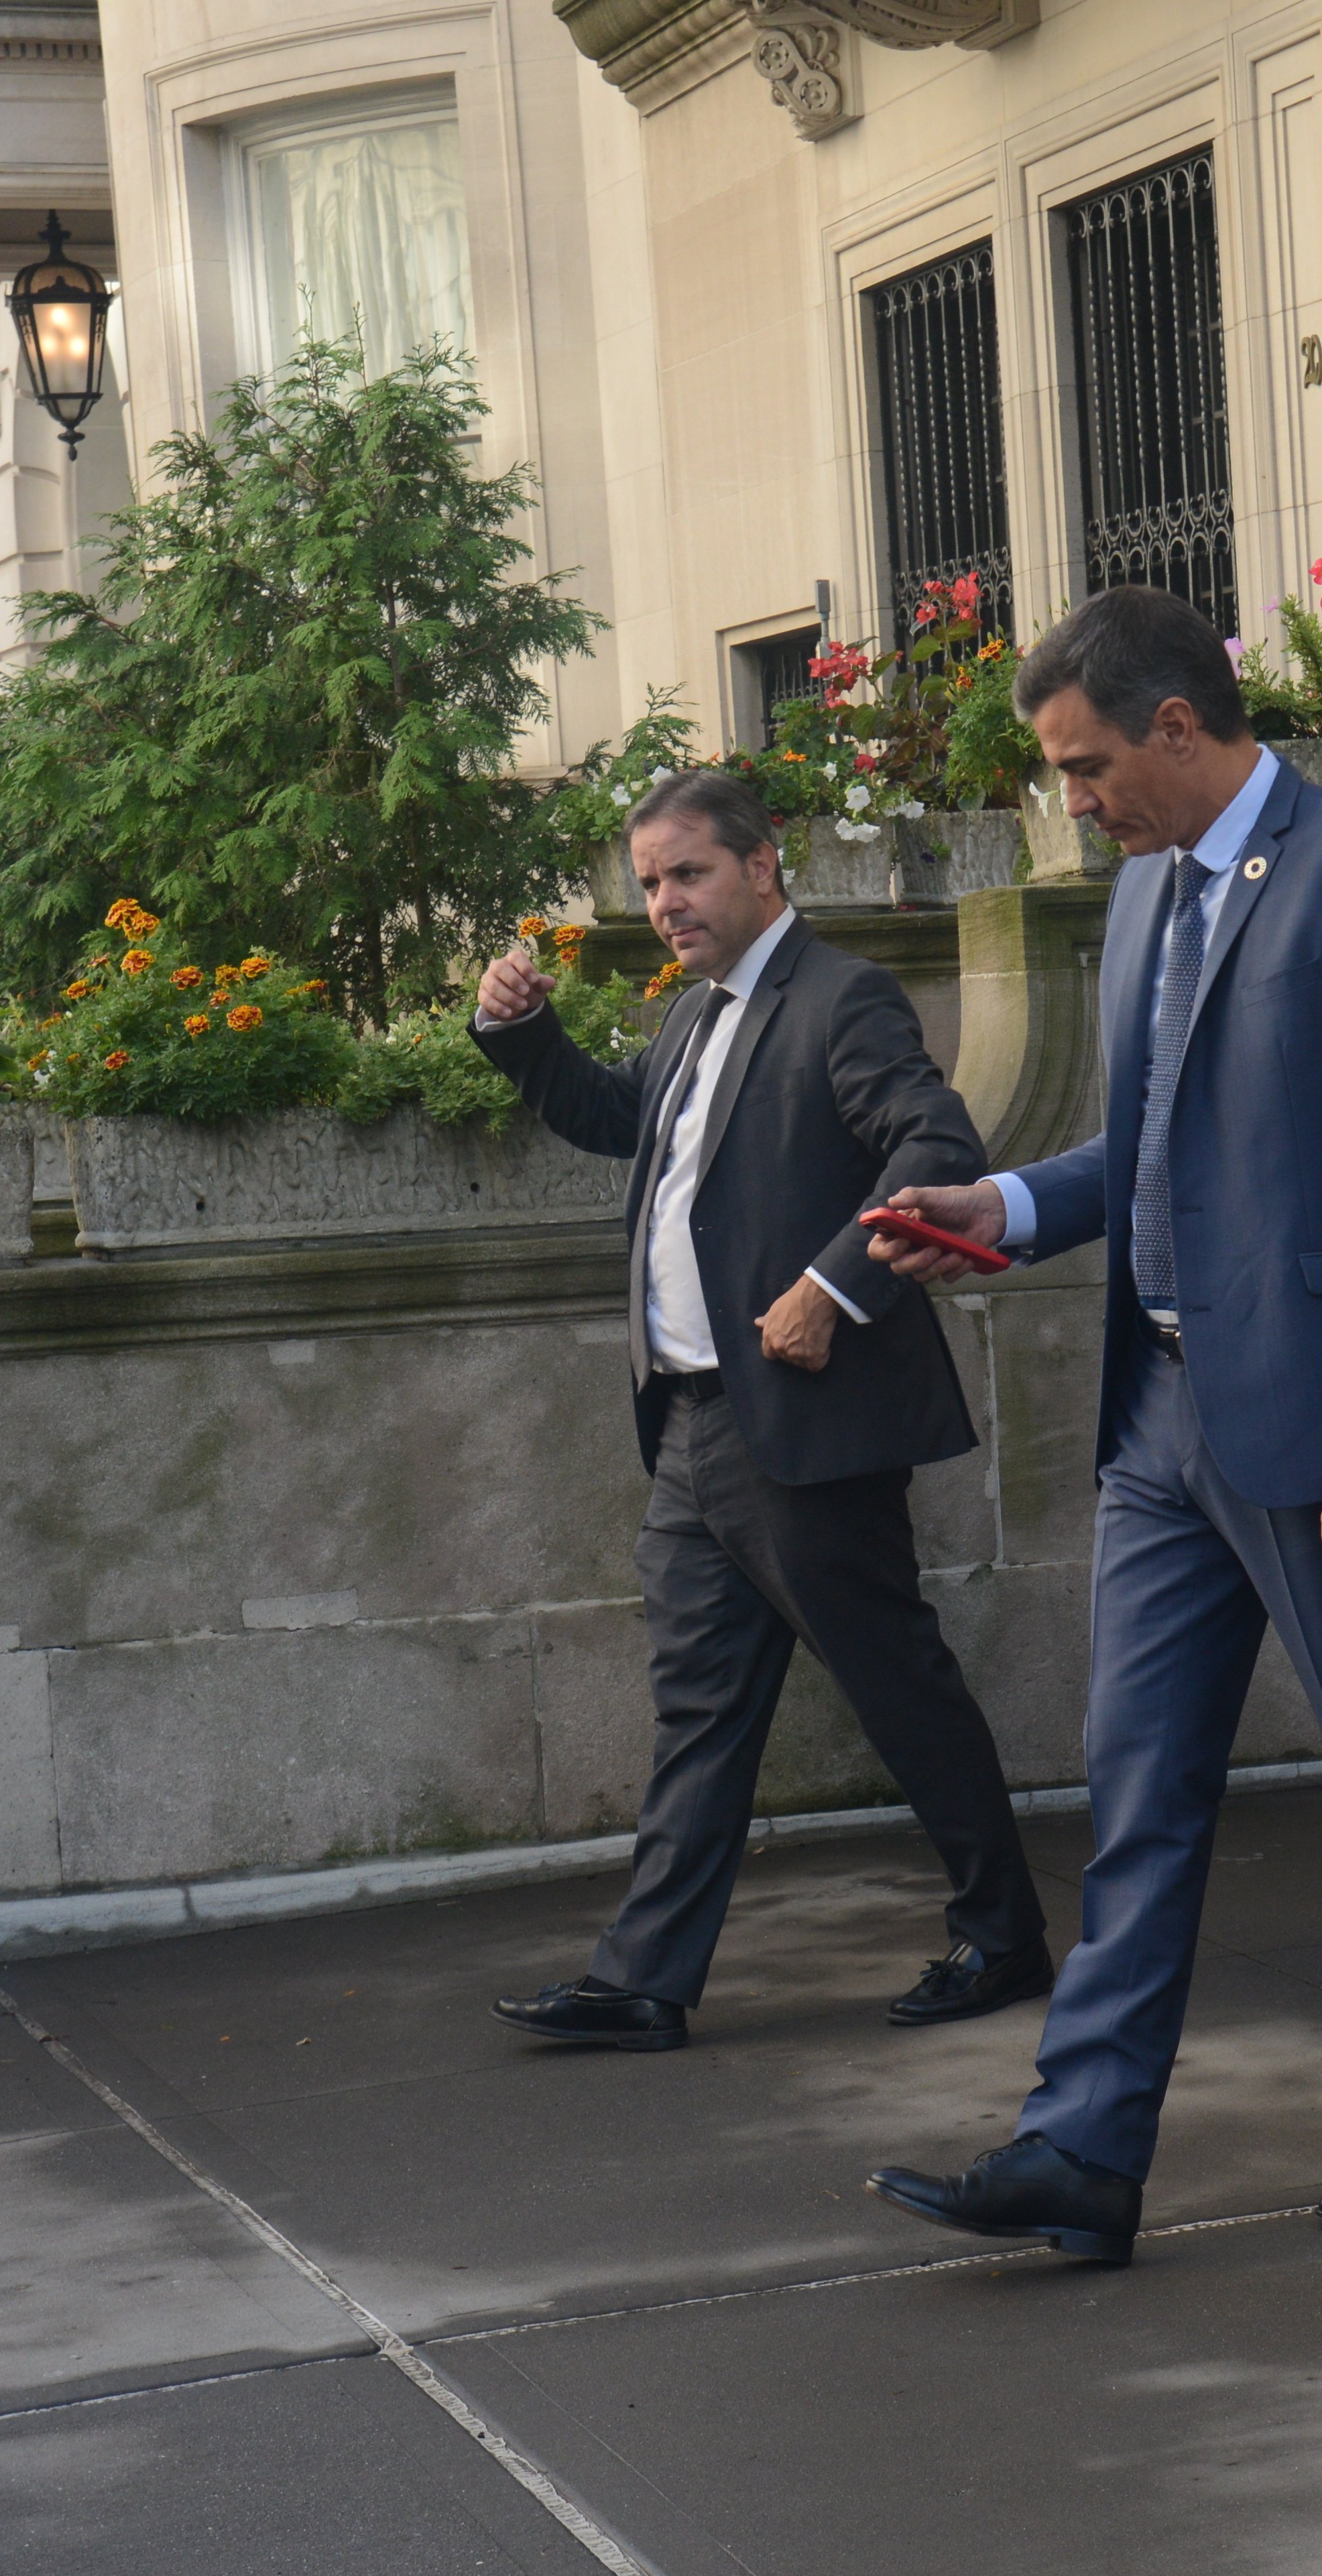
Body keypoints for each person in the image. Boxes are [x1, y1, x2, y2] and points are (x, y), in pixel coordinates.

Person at [859, 585, 1322, 2266]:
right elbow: (1148, 1146)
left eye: (1084, 766)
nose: (1073, 802)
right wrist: (1003, 1205)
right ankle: (1081, 2148)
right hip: (1158, 1421)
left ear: (1175, 724)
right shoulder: (1148, 892)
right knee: (1138, 1784)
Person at [469, 767, 1048, 2049]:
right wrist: (525, 1035)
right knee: (700, 1712)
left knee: (896, 1686)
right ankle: (644, 1981)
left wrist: (831, 1289)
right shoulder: (694, 1015)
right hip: (686, 1427)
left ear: (762, 865)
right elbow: (620, 1120)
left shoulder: (842, 998)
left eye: (687, 873)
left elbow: (935, 1147)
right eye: (649, 883)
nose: (665, 902)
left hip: (802, 1422)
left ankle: (1005, 1936)